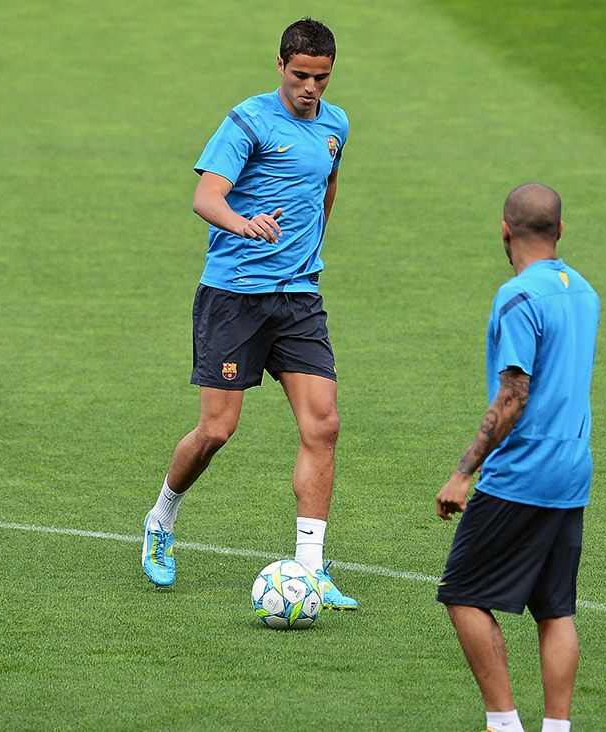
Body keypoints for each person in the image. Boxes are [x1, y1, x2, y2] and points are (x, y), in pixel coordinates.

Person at [140, 18, 356, 609]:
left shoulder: (335, 124)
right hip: (235, 294)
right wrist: (243, 224)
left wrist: (310, 248)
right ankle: (161, 519)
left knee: (323, 425)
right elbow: (205, 194)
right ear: (281, 66)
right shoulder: (248, 120)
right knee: (217, 430)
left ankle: (310, 566)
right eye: (301, 75)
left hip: (298, 297)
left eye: (322, 78)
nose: (311, 88)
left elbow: (326, 186)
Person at [436, 184, 600, 732]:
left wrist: (464, 473)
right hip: (573, 471)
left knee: (462, 594)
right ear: (560, 229)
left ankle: (504, 724)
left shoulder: (517, 297)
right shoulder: (584, 292)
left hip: (521, 473)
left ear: (505, 230)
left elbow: (513, 395)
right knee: (555, 611)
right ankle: (558, 727)